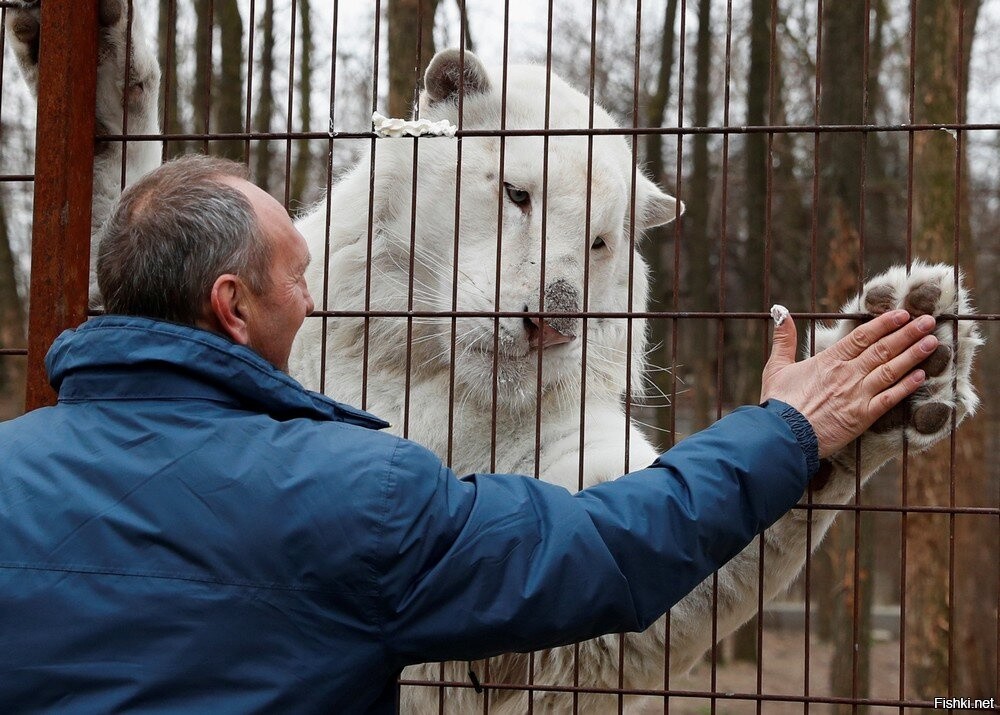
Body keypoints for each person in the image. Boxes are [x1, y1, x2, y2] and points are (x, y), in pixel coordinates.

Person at [0, 155, 940, 713]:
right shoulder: (353, 492)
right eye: (297, 274)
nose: (316, 295)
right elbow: (604, 549)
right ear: (232, 306)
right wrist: (789, 431)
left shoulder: (11, 464)